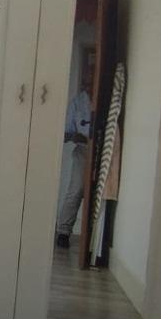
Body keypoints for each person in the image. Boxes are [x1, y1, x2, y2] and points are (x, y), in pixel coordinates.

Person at [55, 73, 93, 249]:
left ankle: (92, 238)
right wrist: (74, 136)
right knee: (76, 189)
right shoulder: (77, 103)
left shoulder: (105, 98)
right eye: (85, 83)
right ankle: (63, 232)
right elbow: (64, 134)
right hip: (83, 150)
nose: (87, 87)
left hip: (103, 149)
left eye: (90, 83)